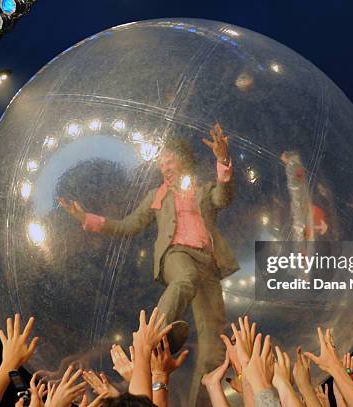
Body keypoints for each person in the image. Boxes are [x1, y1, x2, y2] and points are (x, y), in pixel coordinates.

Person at [59, 123, 239, 406]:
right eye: (161, 163)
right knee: (184, 279)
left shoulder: (204, 190)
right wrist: (86, 218)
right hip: (176, 254)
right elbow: (128, 226)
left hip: (209, 263)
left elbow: (223, 197)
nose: (165, 167)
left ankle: (204, 399)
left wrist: (223, 160)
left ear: (184, 161)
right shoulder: (157, 197)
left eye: (170, 161)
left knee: (213, 342)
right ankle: (153, 335)